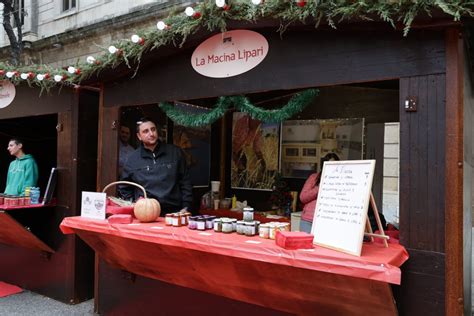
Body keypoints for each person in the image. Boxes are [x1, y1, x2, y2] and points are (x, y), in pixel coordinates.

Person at [119, 118, 193, 215]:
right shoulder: (133, 159)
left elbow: (185, 181)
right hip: (145, 213)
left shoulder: (175, 152)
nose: (151, 134)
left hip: (174, 212)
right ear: (139, 136)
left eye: (153, 129)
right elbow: (124, 186)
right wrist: (134, 204)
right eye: (145, 131)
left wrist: (186, 206)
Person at [299, 153, 339, 233]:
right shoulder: (314, 177)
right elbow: (303, 197)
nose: (331, 167)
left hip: (328, 222)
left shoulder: (341, 180)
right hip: (308, 221)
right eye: (328, 164)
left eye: (334, 165)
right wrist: (319, 188)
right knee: (306, 244)